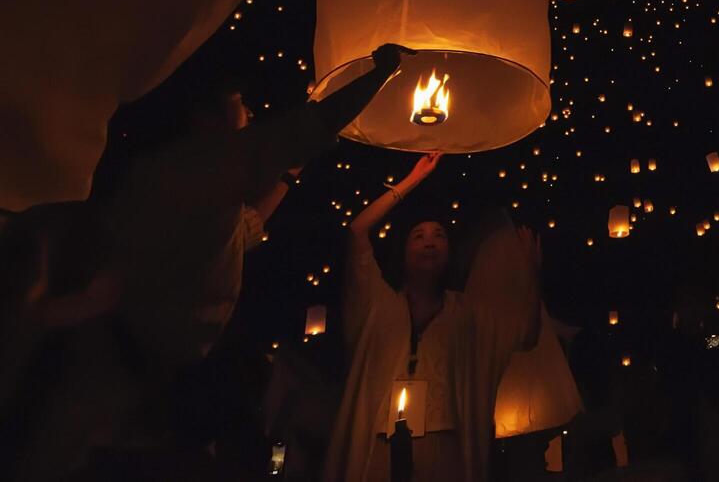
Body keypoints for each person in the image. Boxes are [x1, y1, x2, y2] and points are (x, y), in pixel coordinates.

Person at [9, 42, 414, 481]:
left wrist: (288, 171)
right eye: (239, 105)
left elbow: (246, 229)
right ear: (205, 117)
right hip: (112, 370)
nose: (250, 116)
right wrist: (380, 73)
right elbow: (302, 131)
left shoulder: (195, 185)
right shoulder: (191, 171)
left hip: (145, 375)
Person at [325, 150, 543, 482]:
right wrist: (411, 181)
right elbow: (357, 232)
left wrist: (531, 274)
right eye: (419, 235)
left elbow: (524, 334)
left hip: (445, 452)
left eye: (439, 235)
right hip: (379, 450)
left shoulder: (466, 314)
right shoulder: (378, 305)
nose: (430, 242)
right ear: (403, 249)